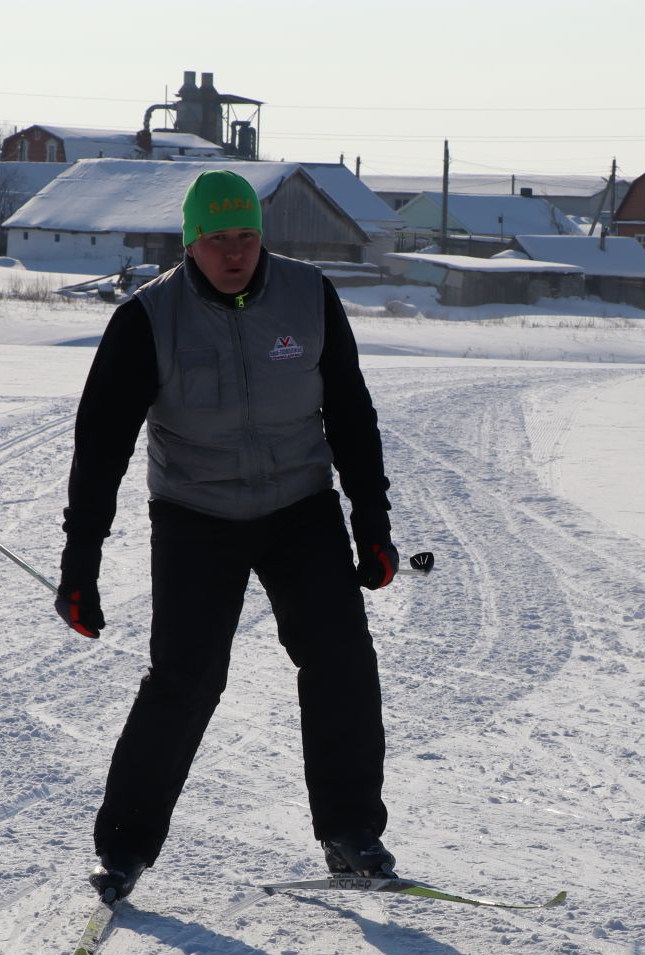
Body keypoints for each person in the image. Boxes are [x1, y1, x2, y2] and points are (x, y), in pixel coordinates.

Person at [54, 169, 401, 904]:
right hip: (195, 515)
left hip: (300, 506)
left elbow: (350, 414)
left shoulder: (309, 298)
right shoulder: (148, 319)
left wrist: (372, 522)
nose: (235, 252)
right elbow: (101, 447)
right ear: (191, 242)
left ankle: (350, 833)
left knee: (340, 660)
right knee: (186, 680)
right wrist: (79, 563)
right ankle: (122, 851)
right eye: (218, 240)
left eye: (246, 236)